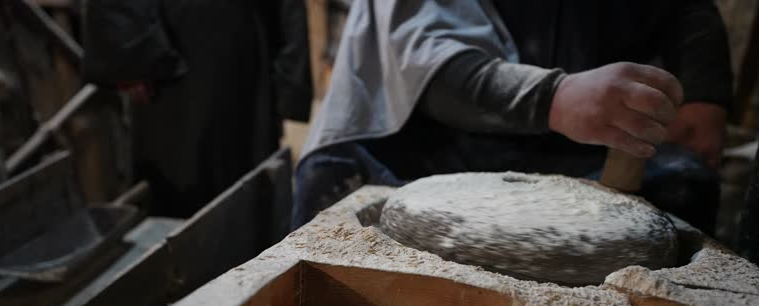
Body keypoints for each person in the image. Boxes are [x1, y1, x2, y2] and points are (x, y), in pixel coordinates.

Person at [292, 1, 732, 234]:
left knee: (684, 183)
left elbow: (687, 11)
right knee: (336, 188)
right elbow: (424, 62)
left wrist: (704, 95)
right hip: (429, 140)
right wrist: (557, 99)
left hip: (578, 147)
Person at [83, 0, 313, 216]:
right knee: (181, 187)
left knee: (242, 177)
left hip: (238, 44)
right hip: (170, 53)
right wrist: (129, 50)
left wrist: (291, 76)